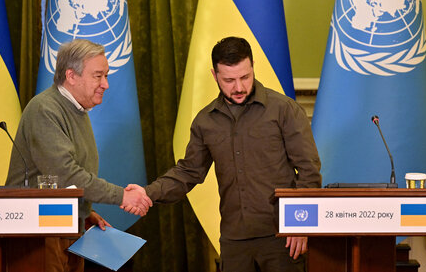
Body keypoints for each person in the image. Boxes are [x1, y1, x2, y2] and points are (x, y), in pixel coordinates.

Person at [125, 36, 321, 272]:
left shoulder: (284, 110)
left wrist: (301, 225)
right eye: (229, 80)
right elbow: (187, 172)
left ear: (252, 67)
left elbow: (309, 170)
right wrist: (147, 192)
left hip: (282, 237)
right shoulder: (205, 121)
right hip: (234, 241)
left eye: (245, 77)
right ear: (214, 75)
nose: (239, 87)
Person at [5, 39, 152, 272]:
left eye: (106, 76)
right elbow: (65, 175)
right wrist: (122, 196)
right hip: (37, 233)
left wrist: (84, 212)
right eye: (98, 76)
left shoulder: (77, 110)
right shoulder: (45, 109)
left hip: (67, 228)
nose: (106, 84)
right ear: (71, 76)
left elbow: (64, 182)